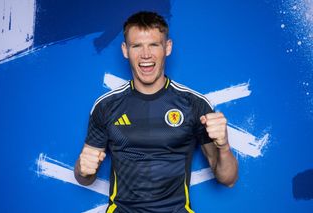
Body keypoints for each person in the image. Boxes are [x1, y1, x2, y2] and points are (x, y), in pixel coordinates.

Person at [74, 11, 238, 213]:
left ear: (167, 47)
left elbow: (228, 180)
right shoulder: (106, 106)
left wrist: (224, 146)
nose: (145, 55)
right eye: (137, 46)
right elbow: (84, 178)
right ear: (125, 50)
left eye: (154, 44)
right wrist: (83, 169)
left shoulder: (194, 104)